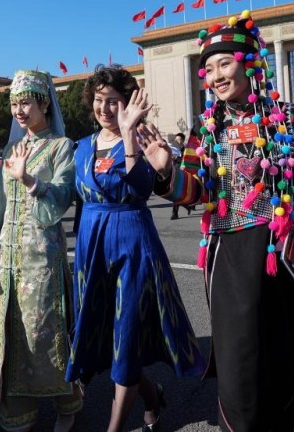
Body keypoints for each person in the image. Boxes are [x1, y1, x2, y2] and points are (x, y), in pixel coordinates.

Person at [141, 13, 294, 431]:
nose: (216, 76)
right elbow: (194, 192)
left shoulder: (285, 117)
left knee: (283, 349)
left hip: (280, 252)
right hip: (229, 252)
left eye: (224, 64)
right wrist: (166, 171)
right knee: (238, 352)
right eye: (209, 69)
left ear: (249, 64)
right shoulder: (205, 129)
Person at [65, 64, 205, 432]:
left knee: (126, 335)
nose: (105, 108)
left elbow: (141, 188)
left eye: (113, 101)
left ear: (128, 104)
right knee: (107, 336)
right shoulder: (81, 147)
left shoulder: (143, 139)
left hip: (132, 243)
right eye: (99, 100)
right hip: (92, 245)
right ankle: (152, 394)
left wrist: (129, 135)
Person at [0, 70, 82, 432]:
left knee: (44, 332)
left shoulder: (61, 147)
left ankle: (67, 402)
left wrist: (29, 179)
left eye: (26, 102)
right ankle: (18, 411)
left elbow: (61, 198)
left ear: (44, 104)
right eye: (14, 103)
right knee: (8, 333)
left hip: (41, 259)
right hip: (9, 258)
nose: (19, 110)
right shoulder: (11, 149)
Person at [170, 132, 193, 219]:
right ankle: (175, 213)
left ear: (183, 140)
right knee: (175, 193)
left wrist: (178, 158)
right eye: (176, 139)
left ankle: (187, 205)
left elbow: (187, 160)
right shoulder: (173, 149)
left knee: (182, 192)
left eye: (179, 139)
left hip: (184, 173)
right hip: (175, 172)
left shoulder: (186, 150)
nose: (177, 141)